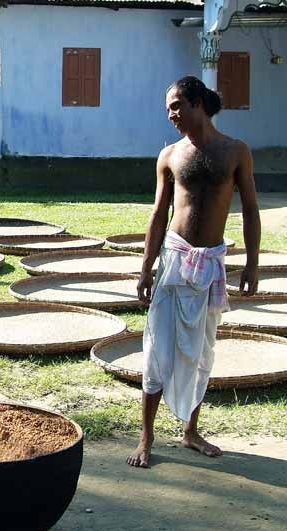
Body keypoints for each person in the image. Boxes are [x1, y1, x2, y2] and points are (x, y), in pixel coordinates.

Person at [127, 76, 261, 468]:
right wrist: (145, 267)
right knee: (157, 350)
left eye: (175, 105)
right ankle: (146, 436)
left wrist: (252, 262)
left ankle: (189, 431)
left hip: (211, 264)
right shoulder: (169, 155)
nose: (170, 114)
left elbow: (251, 209)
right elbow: (158, 213)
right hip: (174, 259)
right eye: (168, 107)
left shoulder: (236, 152)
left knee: (201, 351)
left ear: (198, 103)